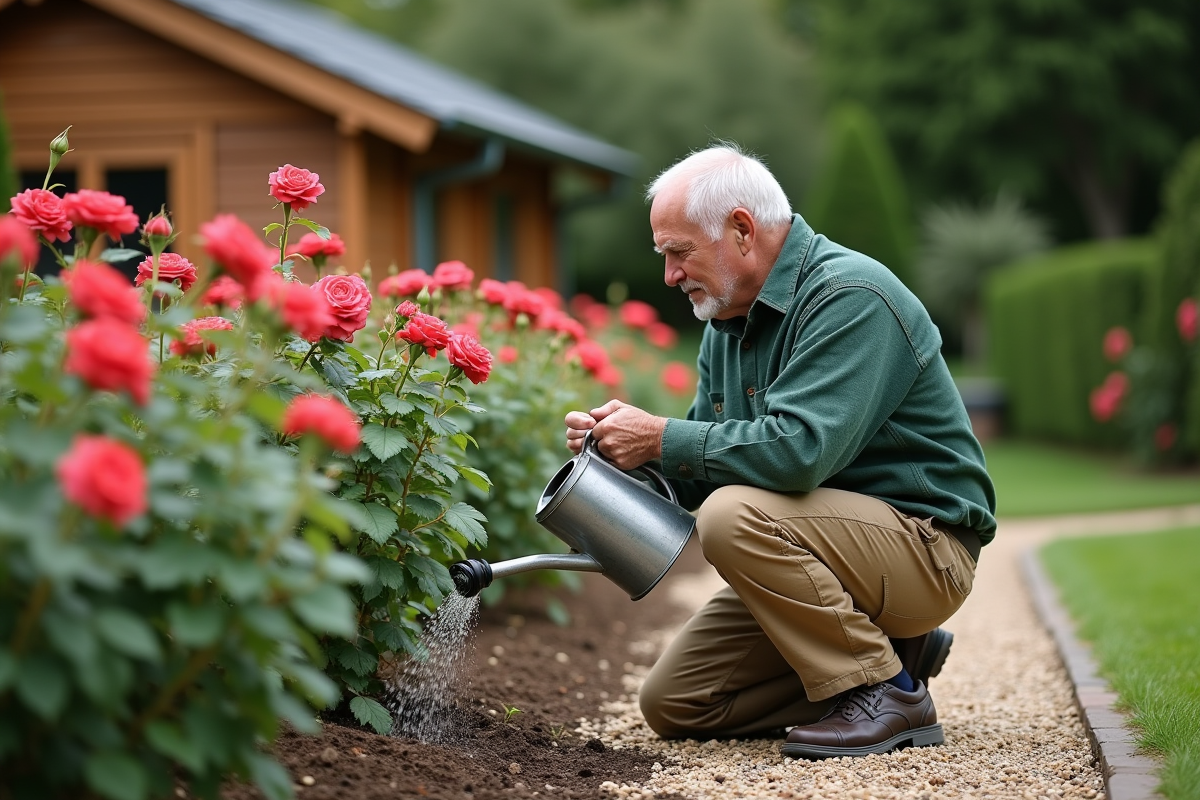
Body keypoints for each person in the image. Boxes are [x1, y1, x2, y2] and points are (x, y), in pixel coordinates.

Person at [563, 144, 996, 760]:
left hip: (925, 546)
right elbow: (703, 470)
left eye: (678, 252)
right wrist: (625, 455)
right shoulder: (729, 325)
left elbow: (797, 454)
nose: (669, 275)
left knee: (733, 516)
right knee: (678, 701)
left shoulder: (851, 296)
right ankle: (894, 649)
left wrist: (660, 437)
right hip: (826, 550)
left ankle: (888, 693)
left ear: (742, 230)